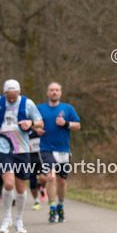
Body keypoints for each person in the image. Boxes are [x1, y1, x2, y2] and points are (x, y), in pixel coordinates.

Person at [0, 79, 42, 233]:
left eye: (14, 97)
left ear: (19, 92)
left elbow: (40, 123)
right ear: (4, 93)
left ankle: (19, 219)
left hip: (22, 149)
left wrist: (30, 123)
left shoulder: (28, 103)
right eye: (9, 97)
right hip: (2, 148)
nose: (11, 100)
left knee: (20, 187)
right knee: (9, 183)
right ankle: (6, 218)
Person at [37, 82, 80, 224]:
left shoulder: (67, 108)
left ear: (60, 93)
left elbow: (78, 126)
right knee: (51, 177)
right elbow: (32, 124)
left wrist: (66, 123)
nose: (54, 92)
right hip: (46, 148)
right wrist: (35, 131)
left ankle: (60, 205)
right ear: (47, 93)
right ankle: (52, 208)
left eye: (56, 90)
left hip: (63, 150)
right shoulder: (40, 108)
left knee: (62, 181)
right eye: (51, 90)